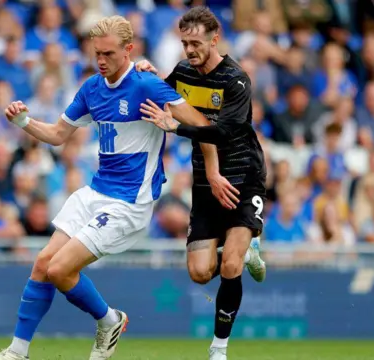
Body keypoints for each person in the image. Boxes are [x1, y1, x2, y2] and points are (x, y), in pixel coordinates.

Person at [0, 15, 234, 360]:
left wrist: (208, 166)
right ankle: (17, 351)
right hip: (94, 193)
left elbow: (204, 126)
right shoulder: (91, 88)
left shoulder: (146, 85)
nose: (101, 61)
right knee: (42, 263)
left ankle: (109, 320)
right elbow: (57, 135)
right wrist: (23, 121)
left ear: (129, 50)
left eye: (109, 54)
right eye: (96, 53)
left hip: (129, 202)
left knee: (59, 269)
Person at [136, 7, 267, 360]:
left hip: (243, 176)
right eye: (184, 43)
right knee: (199, 273)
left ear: (215, 36)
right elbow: (164, 97)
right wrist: (148, 75)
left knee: (230, 266)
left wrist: (176, 127)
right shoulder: (182, 72)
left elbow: (223, 132)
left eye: (195, 43)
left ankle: (218, 348)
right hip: (204, 181)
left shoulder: (235, 80)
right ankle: (239, 244)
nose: (189, 51)